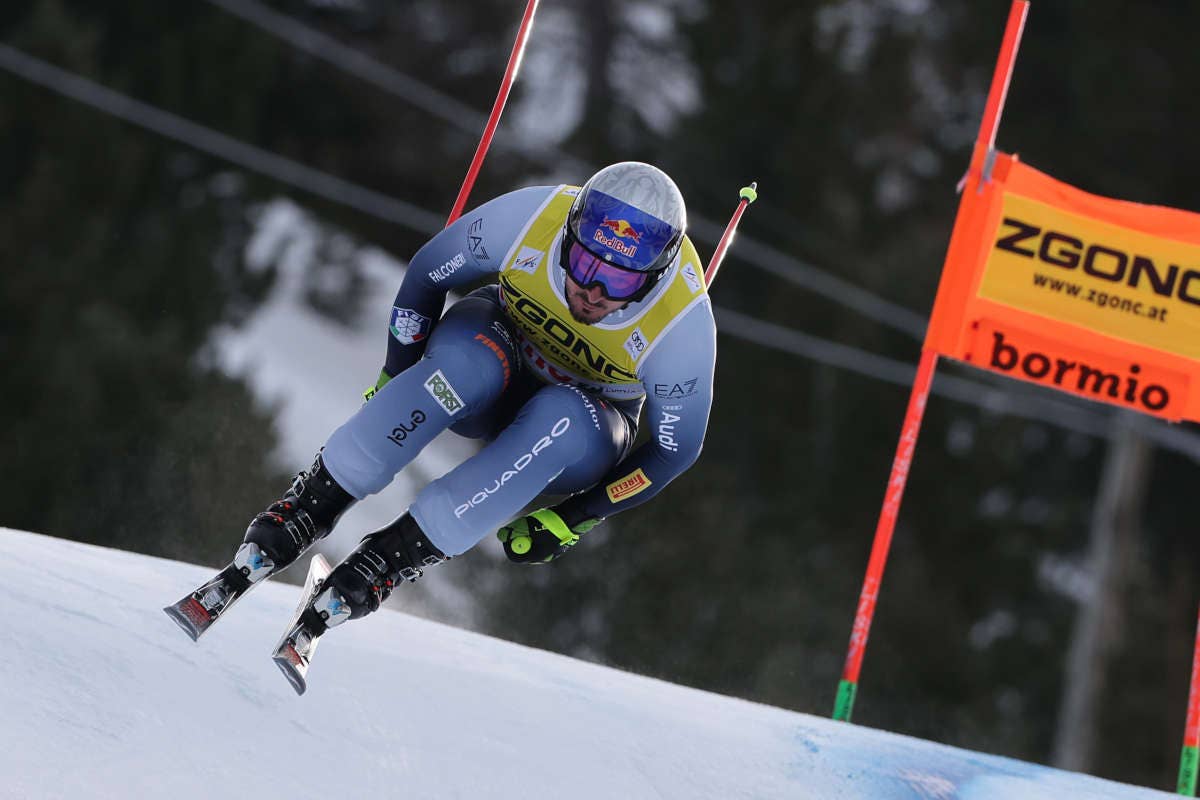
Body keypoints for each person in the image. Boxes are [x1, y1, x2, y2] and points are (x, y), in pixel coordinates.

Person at [233, 161, 716, 632]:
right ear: (568, 236)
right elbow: (427, 273)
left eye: (621, 280)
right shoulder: (534, 219)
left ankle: (387, 562)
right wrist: (396, 380)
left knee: (560, 419)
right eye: (584, 261)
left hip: (587, 418)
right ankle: (306, 507)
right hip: (495, 354)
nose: (592, 290)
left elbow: (677, 449)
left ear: (654, 277)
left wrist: (577, 517)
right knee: (465, 368)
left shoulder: (681, 329)